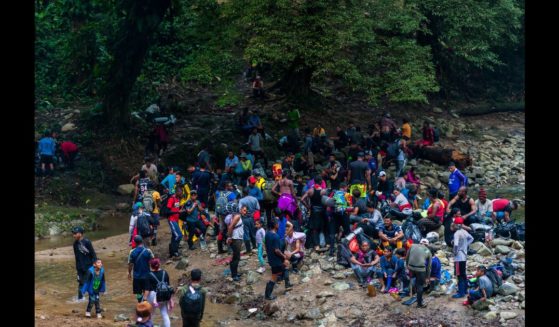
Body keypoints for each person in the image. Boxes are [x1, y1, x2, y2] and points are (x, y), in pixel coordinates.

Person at [264, 218, 293, 300]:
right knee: (274, 276)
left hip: (271, 258)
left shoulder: (267, 234)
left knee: (286, 264)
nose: (279, 224)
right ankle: (268, 295)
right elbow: (276, 250)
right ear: (275, 225)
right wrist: (283, 256)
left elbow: (266, 246)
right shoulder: (275, 236)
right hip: (276, 259)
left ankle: (287, 284)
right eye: (278, 223)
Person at [301, 175, 328, 251]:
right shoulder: (323, 191)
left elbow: (302, 199)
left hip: (314, 211)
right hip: (322, 211)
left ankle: (316, 245)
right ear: (320, 182)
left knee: (314, 229)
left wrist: (308, 207)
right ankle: (325, 243)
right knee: (323, 227)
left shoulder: (310, 190)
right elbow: (326, 201)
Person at [144, 258, 173, 327]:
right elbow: (168, 286)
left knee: (151, 314)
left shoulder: (149, 275)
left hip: (153, 296)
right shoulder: (165, 273)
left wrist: (144, 300)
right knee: (165, 314)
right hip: (164, 295)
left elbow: (147, 290)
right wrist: (170, 299)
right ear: (159, 264)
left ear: (151, 266)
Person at [72, 226, 97, 302]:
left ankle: (93, 299)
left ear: (80, 234)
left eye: (75, 233)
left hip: (88, 267)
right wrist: (77, 268)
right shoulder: (75, 244)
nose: (74, 235)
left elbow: (93, 254)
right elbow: (76, 257)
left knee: (89, 283)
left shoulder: (87, 242)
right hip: (80, 268)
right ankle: (80, 299)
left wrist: (95, 266)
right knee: (80, 283)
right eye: (73, 233)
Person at [451, 217, 474, 299]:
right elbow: (472, 238)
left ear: (456, 225)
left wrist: (455, 252)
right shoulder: (464, 231)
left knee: (459, 275)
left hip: (458, 257)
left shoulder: (457, 233)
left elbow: (456, 244)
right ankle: (464, 290)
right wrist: (465, 245)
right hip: (464, 255)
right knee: (463, 274)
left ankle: (461, 293)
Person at [405, 240, 432, 308]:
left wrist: (407, 267)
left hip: (411, 267)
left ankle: (413, 294)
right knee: (420, 285)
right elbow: (429, 267)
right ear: (427, 245)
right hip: (420, 269)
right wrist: (427, 277)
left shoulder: (412, 246)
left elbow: (407, 257)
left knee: (413, 281)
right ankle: (419, 304)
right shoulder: (428, 251)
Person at [128, 235, 155, 303]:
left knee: (138, 291)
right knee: (147, 289)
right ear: (142, 241)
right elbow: (153, 261)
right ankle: (146, 302)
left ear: (135, 242)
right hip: (147, 275)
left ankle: (140, 303)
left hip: (137, 276)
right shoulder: (148, 251)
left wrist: (129, 273)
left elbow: (130, 264)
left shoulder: (132, 252)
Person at [225, 203, 244, 282]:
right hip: (236, 238)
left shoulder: (230, 216)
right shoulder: (237, 216)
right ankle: (234, 275)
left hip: (236, 237)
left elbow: (228, 226)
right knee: (236, 257)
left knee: (235, 257)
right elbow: (230, 227)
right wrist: (229, 237)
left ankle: (235, 273)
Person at [166, 187, 182, 258]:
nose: (181, 194)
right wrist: (177, 211)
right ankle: (175, 251)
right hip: (171, 220)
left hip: (176, 220)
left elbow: (177, 208)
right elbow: (168, 211)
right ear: (177, 192)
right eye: (180, 193)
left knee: (174, 236)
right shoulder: (171, 199)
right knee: (179, 235)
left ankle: (171, 252)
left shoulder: (178, 199)